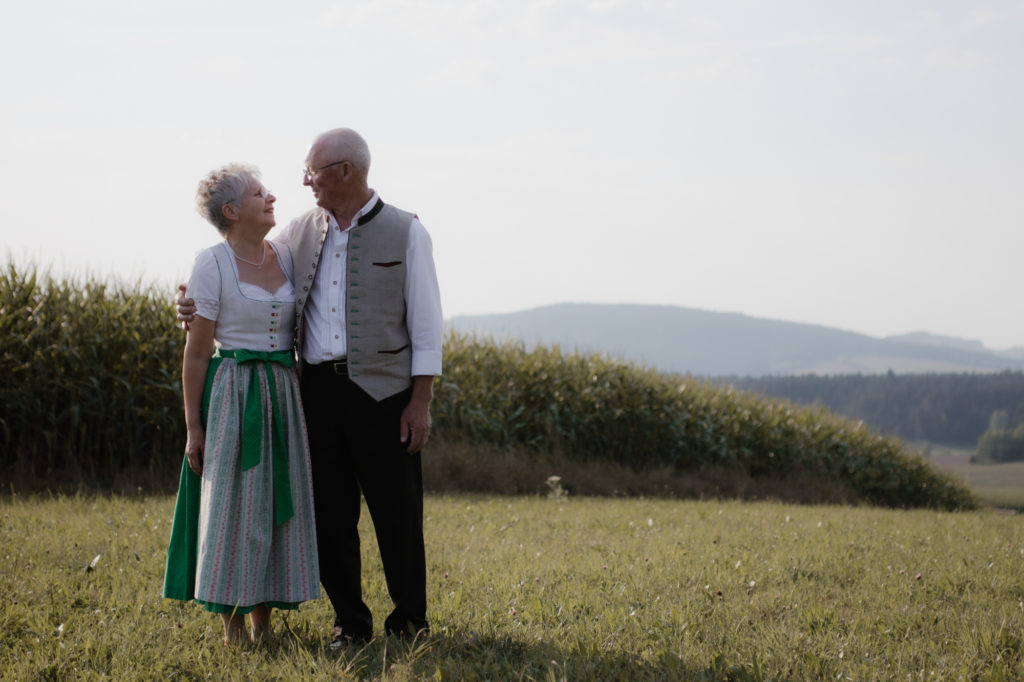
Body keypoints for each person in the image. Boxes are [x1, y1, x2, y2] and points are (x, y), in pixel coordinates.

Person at [177, 129, 444, 646]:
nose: (302, 181)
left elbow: (428, 325)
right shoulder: (296, 232)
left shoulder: (408, 231)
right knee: (329, 514)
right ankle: (350, 623)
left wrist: (420, 400)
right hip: (314, 394)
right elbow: (240, 265)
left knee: (398, 514)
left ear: (345, 171)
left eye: (312, 170)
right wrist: (188, 299)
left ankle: (409, 622)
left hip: (386, 395)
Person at [164, 163, 320, 646]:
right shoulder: (212, 263)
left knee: (277, 502)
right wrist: (194, 426)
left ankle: (265, 623)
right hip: (235, 391)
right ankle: (232, 625)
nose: (271, 197)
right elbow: (196, 352)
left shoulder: (287, 252)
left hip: (283, 388)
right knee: (234, 506)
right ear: (232, 211)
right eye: (259, 193)